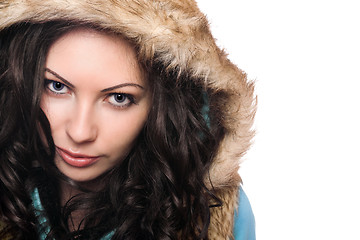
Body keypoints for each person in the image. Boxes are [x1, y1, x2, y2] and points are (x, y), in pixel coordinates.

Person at [0, 0, 256, 239]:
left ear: (162, 106)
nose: (80, 132)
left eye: (119, 98)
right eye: (56, 86)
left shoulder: (219, 213)